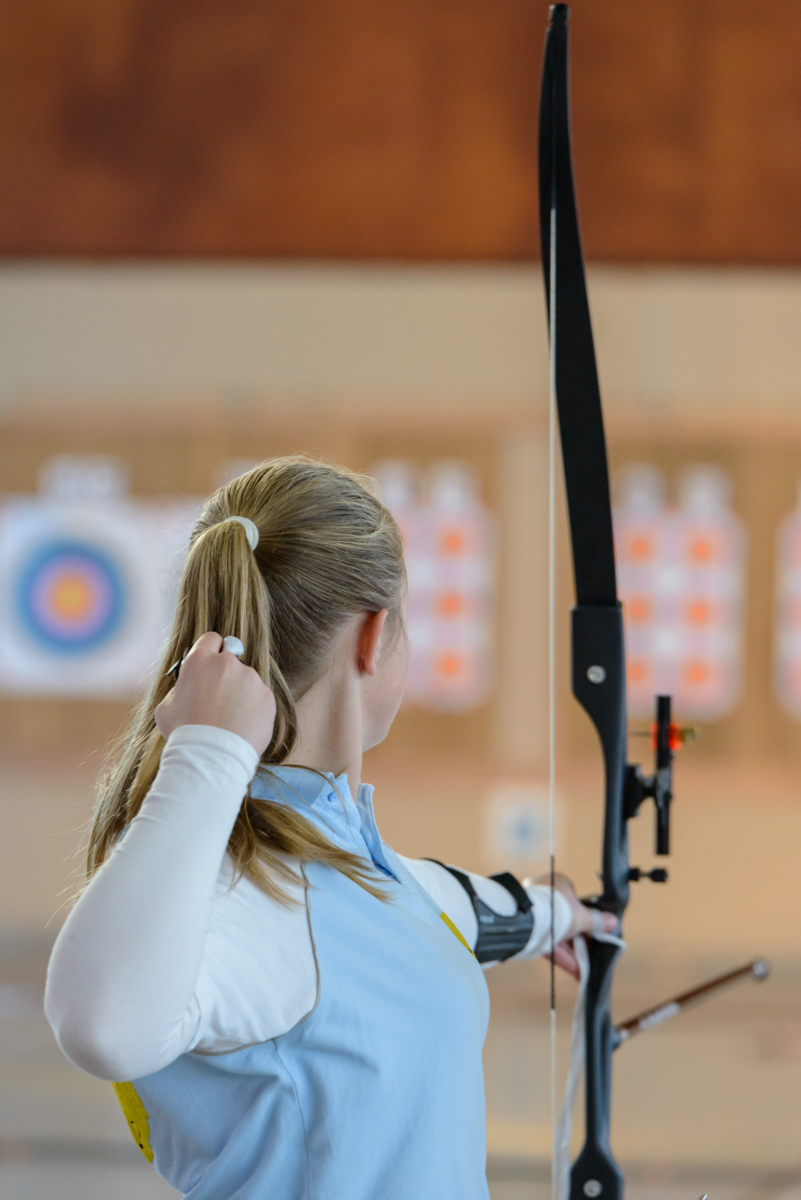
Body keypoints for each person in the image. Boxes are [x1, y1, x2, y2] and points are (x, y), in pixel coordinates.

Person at [44, 456, 617, 1200]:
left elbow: (433, 911)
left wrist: (554, 913)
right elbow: (103, 1025)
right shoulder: (247, 894)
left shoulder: (347, 872)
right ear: (374, 637)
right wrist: (209, 750)